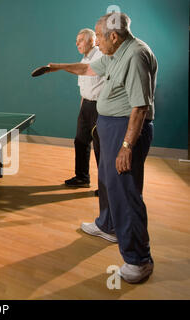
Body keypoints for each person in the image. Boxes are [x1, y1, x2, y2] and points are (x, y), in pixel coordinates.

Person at [46, 12, 157, 283]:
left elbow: (140, 106)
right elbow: (88, 69)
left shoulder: (135, 55)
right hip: (110, 126)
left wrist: (127, 145)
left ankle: (139, 259)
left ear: (114, 36)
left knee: (125, 191)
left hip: (124, 130)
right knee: (107, 180)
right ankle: (107, 225)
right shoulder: (116, 53)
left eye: (98, 37)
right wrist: (59, 66)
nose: (96, 42)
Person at [65, 29, 104, 194]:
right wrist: (82, 110)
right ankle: (82, 177)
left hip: (99, 107)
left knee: (101, 148)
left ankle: (105, 186)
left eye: (81, 40)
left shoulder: (100, 56)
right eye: (76, 40)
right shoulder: (83, 59)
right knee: (80, 142)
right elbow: (84, 89)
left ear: (92, 41)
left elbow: (90, 72)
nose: (77, 43)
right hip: (86, 106)